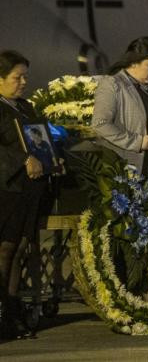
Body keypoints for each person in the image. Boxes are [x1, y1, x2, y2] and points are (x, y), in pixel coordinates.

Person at [92, 37, 148, 218]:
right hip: (132, 171)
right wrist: (137, 142)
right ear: (134, 62)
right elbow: (100, 124)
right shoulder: (112, 84)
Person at [0, 50, 56, 340]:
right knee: (5, 249)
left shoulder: (25, 107)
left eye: (25, 76)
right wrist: (23, 159)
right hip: (7, 190)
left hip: (29, 190)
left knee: (20, 248)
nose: (22, 82)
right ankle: (4, 313)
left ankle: (11, 311)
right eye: (16, 77)